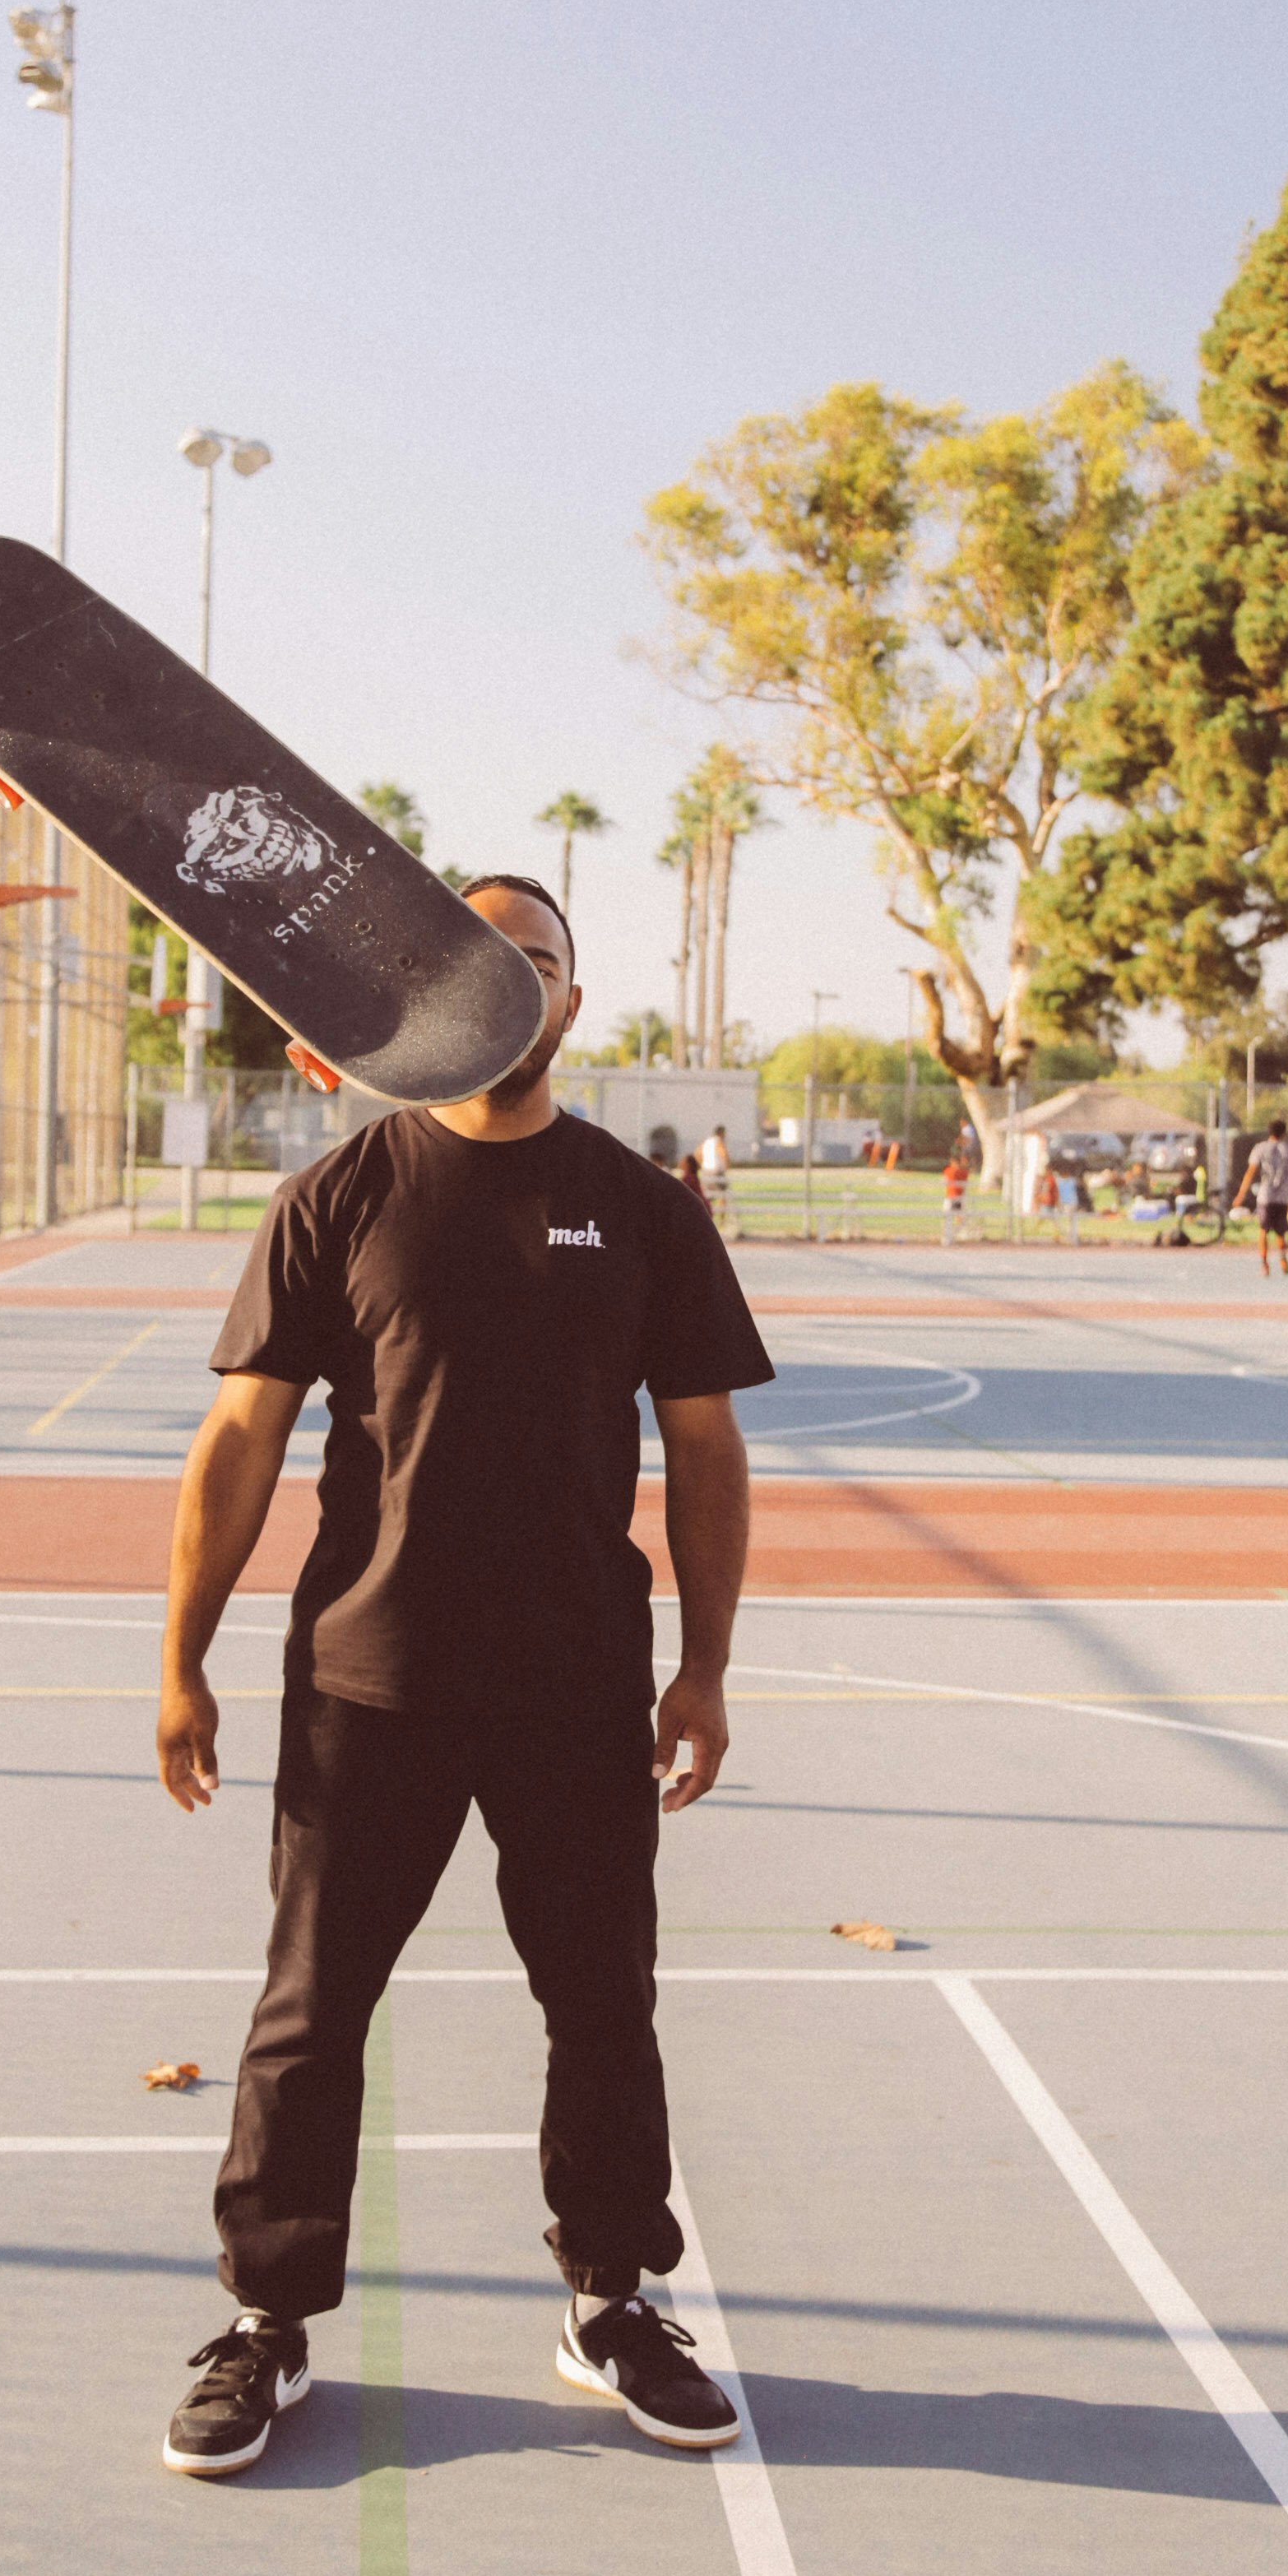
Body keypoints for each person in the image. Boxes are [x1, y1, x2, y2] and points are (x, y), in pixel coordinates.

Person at [156, 872, 775, 2478]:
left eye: (535, 958)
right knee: (308, 2015)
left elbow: (703, 1446)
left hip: (576, 1686)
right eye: (473, 952)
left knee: (600, 2007)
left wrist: (702, 1668)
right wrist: (181, 1655)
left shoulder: (643, 1211)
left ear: (570, 1002)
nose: (506, 977)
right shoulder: (343, 1194)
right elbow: (241, 1437)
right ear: (424, 981)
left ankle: (610, 2299)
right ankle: (266, 2319)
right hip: (368, 1679)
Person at [1234, 1112, 1288, 1278]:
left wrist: (1241, 1194)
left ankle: (1264, 1263)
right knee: (1280, 1232)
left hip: (1266, 1196)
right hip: (1282, 1196)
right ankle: (1282, 1258)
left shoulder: (1260, 1149)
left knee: (1263, 1230)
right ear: (1284, 1133)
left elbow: (1250, 1172)